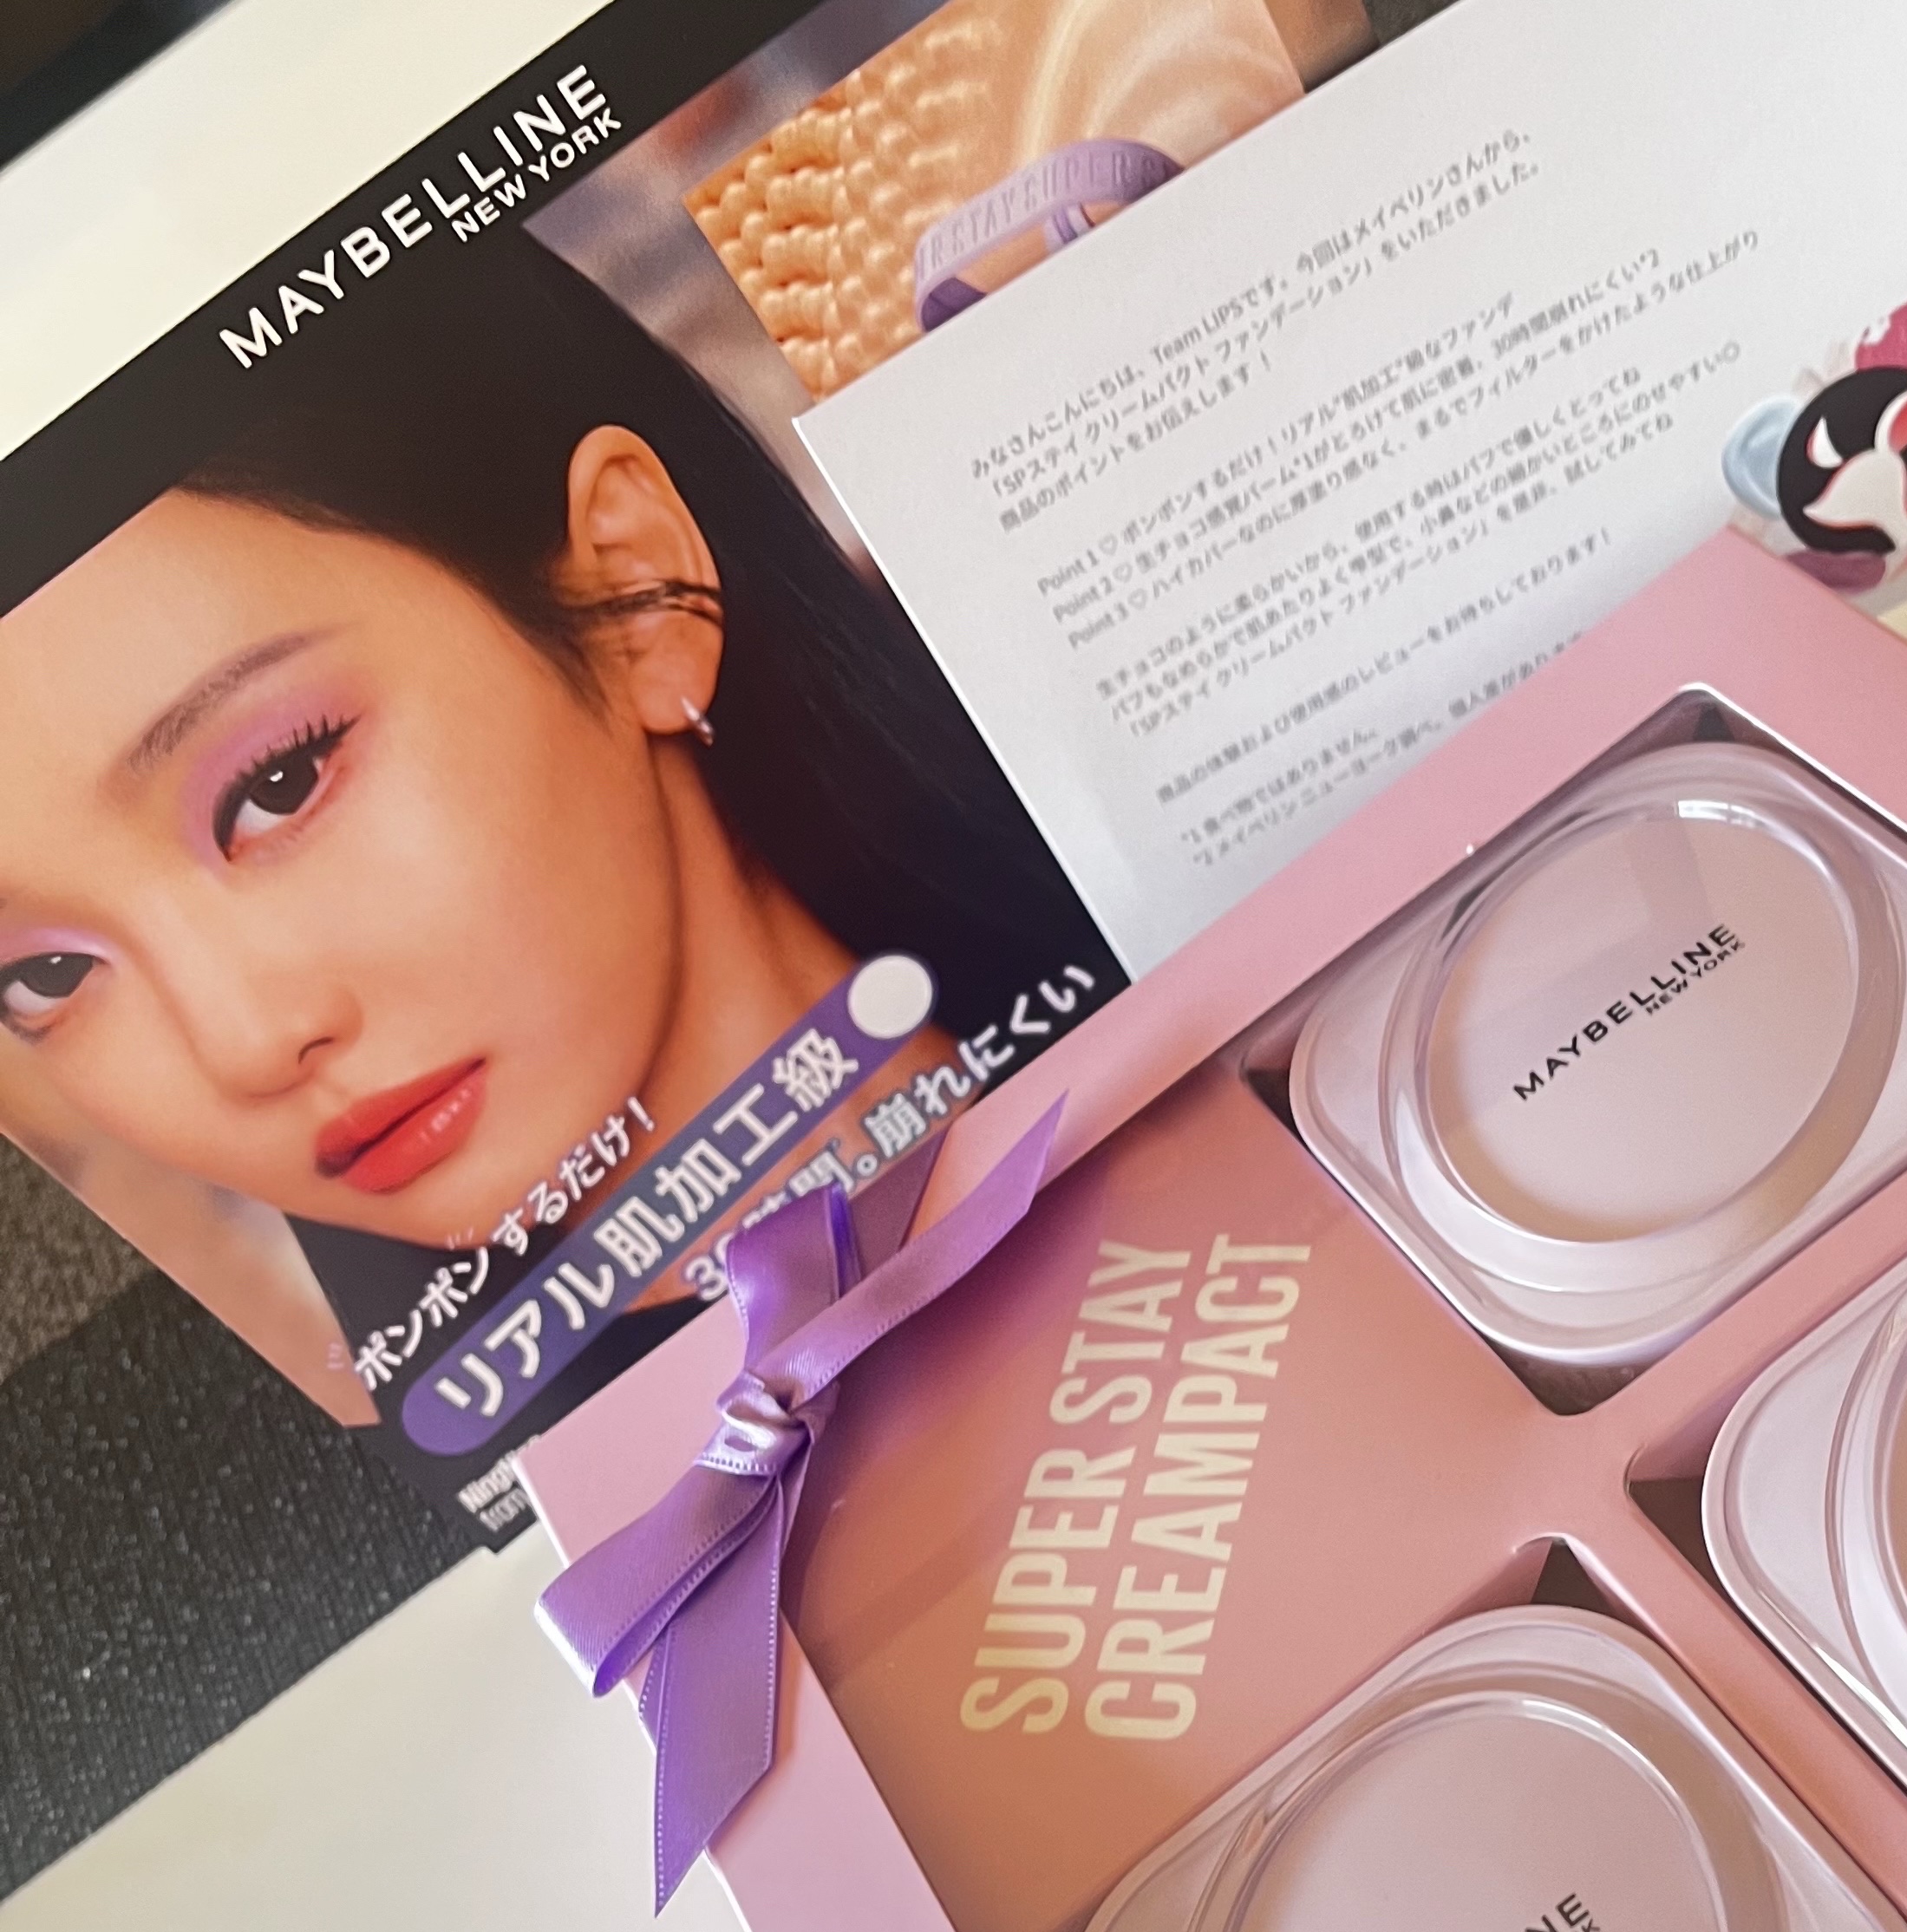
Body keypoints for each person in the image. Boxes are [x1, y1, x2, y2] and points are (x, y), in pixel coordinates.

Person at [0, 237, 1116, 1426]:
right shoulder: (423, 1490)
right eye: (44, 974)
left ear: (629, 597)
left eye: (277, 783)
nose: (243, 1045)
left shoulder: (1170, 934)